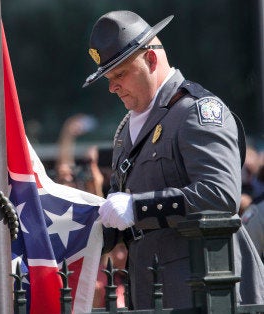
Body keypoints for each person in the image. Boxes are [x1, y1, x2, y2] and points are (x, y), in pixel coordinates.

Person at [83, 11, 264, 309]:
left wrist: (138, 207)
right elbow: (121, 217)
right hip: (153, 288)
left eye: (120, 74)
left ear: (151, 60)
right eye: (108, 77)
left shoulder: (196, 112)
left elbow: (220, 196)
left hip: (206, 288)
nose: (111, 87)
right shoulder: (124, 131)